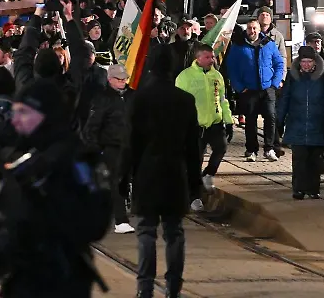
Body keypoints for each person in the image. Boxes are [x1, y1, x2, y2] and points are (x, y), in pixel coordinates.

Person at [0, 79, 112, 296]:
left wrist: (45, 204)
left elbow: (96, 223)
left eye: (23, 112)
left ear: (45, 114)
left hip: (62, 279)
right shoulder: (21, 155)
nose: (15, 120)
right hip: (20, 278)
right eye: (15, 112)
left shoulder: (76, 160)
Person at [127, 47, 201, 298]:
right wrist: (195, 182)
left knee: (146, 231)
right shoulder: (185, 100)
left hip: (147, 172)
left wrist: (124, 177)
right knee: (174, 232)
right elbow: (193, 147)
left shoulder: (139, 99)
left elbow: (131, 142)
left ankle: (145, 287)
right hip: (175, 173)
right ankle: (173, 288)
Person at [175, 44, 232, 211]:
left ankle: (208, 174)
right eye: (207, 57)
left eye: (212, 56)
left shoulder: (217, 76)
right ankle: (194, 197)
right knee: (194, 163)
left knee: (221, 147)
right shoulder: (185, 77)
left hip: (215, 123)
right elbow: (178, 103)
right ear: (198, 58)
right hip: (195, 127)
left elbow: (222, 99)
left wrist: (228, 120)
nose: (211, 60)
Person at [277, 46, 324, 200]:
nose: (306, 64)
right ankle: (299, 189)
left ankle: (313, 189)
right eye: (304, 61)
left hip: (318, 125)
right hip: (297, 124)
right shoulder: (292, 78)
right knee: (299, 160)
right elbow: (285, 99)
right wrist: (279, 120)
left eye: (309, 61)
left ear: (315, 62)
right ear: (299, 62)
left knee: (315, 160)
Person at [83, 63, 135, 234]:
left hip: (130, 147)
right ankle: (120, 220)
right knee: (112, 182)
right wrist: (94, 148)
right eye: (119, 79)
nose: (122, 82)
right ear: (110, 79)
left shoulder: (132, 96)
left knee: (122, 182)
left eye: (124, 79)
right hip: (111, 146)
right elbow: (93, 125)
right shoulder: (102, 98)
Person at [227, 19, 285, 162]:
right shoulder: (238, 46)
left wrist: (275, 83)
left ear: (259, 29)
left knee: (271, 117)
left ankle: (269, 148)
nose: (252, 31)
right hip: (249, 90)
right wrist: (239, 87)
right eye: (249, 28)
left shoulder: (269, 44)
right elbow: (232, 68)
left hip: (267, 88)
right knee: (250, 120)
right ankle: (251, 150)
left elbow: (279, 63)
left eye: (254, 28)